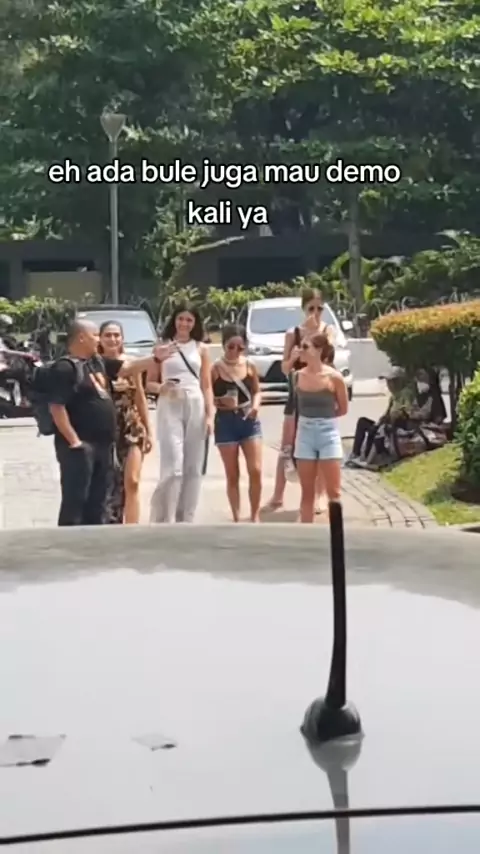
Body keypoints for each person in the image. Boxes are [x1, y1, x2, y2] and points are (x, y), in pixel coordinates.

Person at [48, 320, 161, 526]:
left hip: (103, 445)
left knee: (98, 501)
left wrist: (156, 358)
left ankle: (94, 540)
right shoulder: (65, 367)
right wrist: (74, 442)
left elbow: (127, 367)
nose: (98, 340)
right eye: (95, 335)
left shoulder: (96, 363)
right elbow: (57, 407)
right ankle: (69, 541)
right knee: (77, 500)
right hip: (80, 447)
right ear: (81, 338)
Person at [265, 287, 335, 515]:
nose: (315, 313)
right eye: (311, 308)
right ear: (303, 308)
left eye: (319, 308)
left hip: (320, 393)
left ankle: (320, 495)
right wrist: (295, 356)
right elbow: (285, 368)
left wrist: (317, 339)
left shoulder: (327, 331)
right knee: (287, 445)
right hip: (297, 393)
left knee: (321, 445)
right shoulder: (293, 334)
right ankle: (278, 494)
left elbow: (329, 360)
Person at [147, 303, 214, 524]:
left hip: (195, 401)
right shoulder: (162, 347)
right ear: (174, 320)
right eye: (180, 319)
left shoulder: (201, 349)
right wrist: (162, 388)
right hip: (170, 403)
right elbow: (149, 383)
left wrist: (210, 415)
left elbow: (206, 385)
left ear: (195, 323)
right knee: (174, 466)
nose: (184, 324)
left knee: (193, 466)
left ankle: (186, 517)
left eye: (189, 320)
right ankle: (164, 517)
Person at [98, 321, 152, 524]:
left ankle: (132, 529)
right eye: (108, 335)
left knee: (133, 481)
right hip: (106, 427)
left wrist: (149, 430)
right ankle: (113, 524)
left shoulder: (132, 364)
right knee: (111, 483)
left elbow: (140, 397)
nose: (112, 339)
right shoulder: (96, 365)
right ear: (100, 339)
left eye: (116, 335)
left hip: (131, 425)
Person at [292, 331, 348, 523]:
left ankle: (337, 534)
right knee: (307, 492)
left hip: (328, 432)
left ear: (319, 350)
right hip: (305, 433)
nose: (301, 351)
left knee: (334, 491)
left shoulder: (334, 377)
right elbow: (293, 411)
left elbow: (343, 409)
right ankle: (308, 534)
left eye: (305, 347)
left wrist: (324, 418)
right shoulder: (297, 377)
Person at [212, 324, 263, 522]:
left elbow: (257, 391)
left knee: (255, 470)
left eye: (240, 347)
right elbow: (206, 395)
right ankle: (236, 516)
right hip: (226, 421)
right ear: (224, 345)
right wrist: (220, 401)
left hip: (248, 418)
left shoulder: (250, 365)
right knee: (232, 473)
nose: (235, 351)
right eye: (231, 347)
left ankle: (255, 515)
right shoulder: (216, 368)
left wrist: (255, 407)